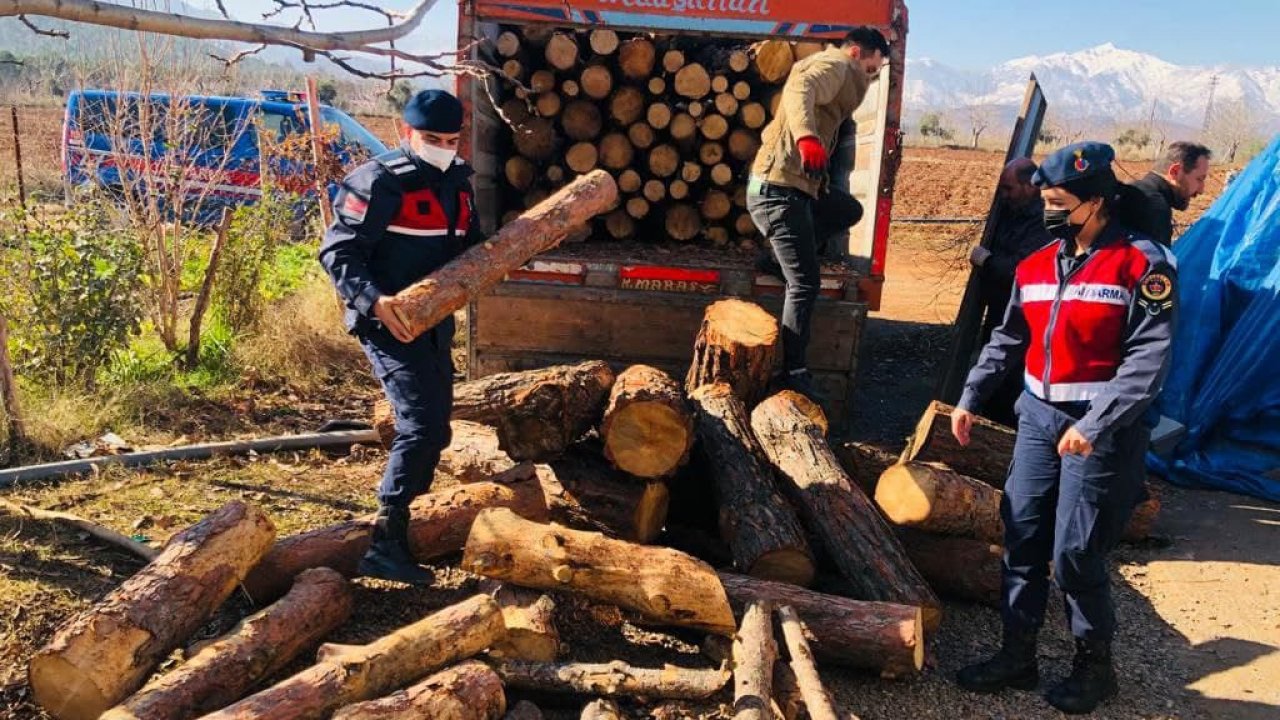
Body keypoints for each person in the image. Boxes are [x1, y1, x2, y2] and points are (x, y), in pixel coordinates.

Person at [951, 142, 1177, 714]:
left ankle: (1095, 668)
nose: (1047, 211)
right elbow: (1008, 336)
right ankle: (1017, 655)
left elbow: (1148, 359)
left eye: (1057, 202)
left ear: (1095, 202)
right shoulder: (1036, 262)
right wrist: (970, 396)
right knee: (1021, 532)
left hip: (1100, 429)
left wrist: (1097, 424)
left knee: (1075, 550)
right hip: (1038, 417)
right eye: (1045, 201)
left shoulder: (1143, 264)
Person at [319, 89, 482, 585]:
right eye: (432, 138)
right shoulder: (377, 182)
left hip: (433, 322)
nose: (442, 148)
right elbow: (337, 253)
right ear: (405, 132)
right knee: (421, 427)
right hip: (386, 323)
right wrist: (374, 301)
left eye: (451, 140)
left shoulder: (458, 184)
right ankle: (385, 543)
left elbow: (473, 249)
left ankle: (407, 526)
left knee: (437, 427)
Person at [747, 26, 889, 401]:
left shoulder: (844, 73)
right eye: (872, 69)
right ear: (857, 53)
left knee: (847, 209)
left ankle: (775, 260)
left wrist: (819, 179)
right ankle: (792, 371)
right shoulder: (835, 65)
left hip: (795, 189)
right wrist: (807, 138)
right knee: (805, 283)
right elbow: (800, 87)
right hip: (776, 192)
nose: (872, 78)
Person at [969, 158, 1053, 424]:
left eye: (1009, 189)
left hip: (1023, 315)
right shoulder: (1011, 212)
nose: (1003, 196)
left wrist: (988, 262)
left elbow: (1024, 271)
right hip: (1000, 308)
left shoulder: (1043, 223)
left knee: (1008, 378)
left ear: (1030, 186)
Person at [1118, 141, 1211, 246]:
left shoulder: (1133, 191)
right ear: (1175, 171)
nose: (1201, 190)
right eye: (1199, 179)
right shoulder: (1154, 207)